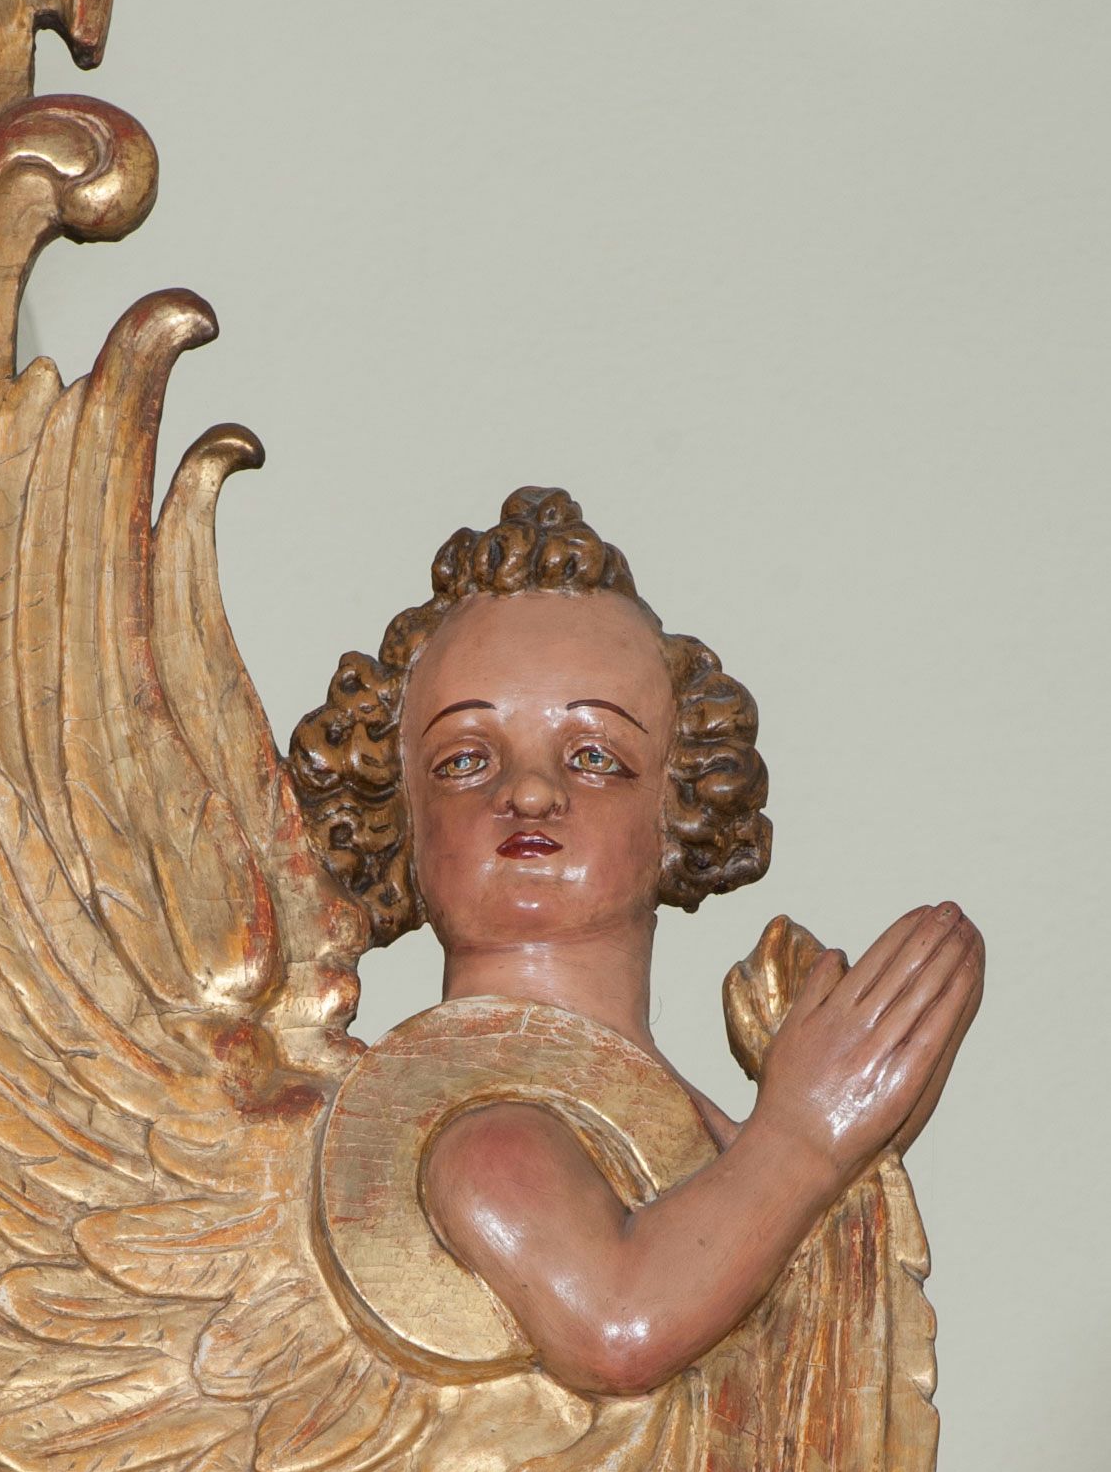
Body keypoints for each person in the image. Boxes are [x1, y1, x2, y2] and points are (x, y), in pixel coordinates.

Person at [290, 486, 984, 1393]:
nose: (527, 791)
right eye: (464, 759)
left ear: (679, 806)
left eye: (592, 756)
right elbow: (616, 1327)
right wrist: (807, 1136)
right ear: (398, 817)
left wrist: (852, 1159)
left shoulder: (676, 1124)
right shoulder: (483, 1131)